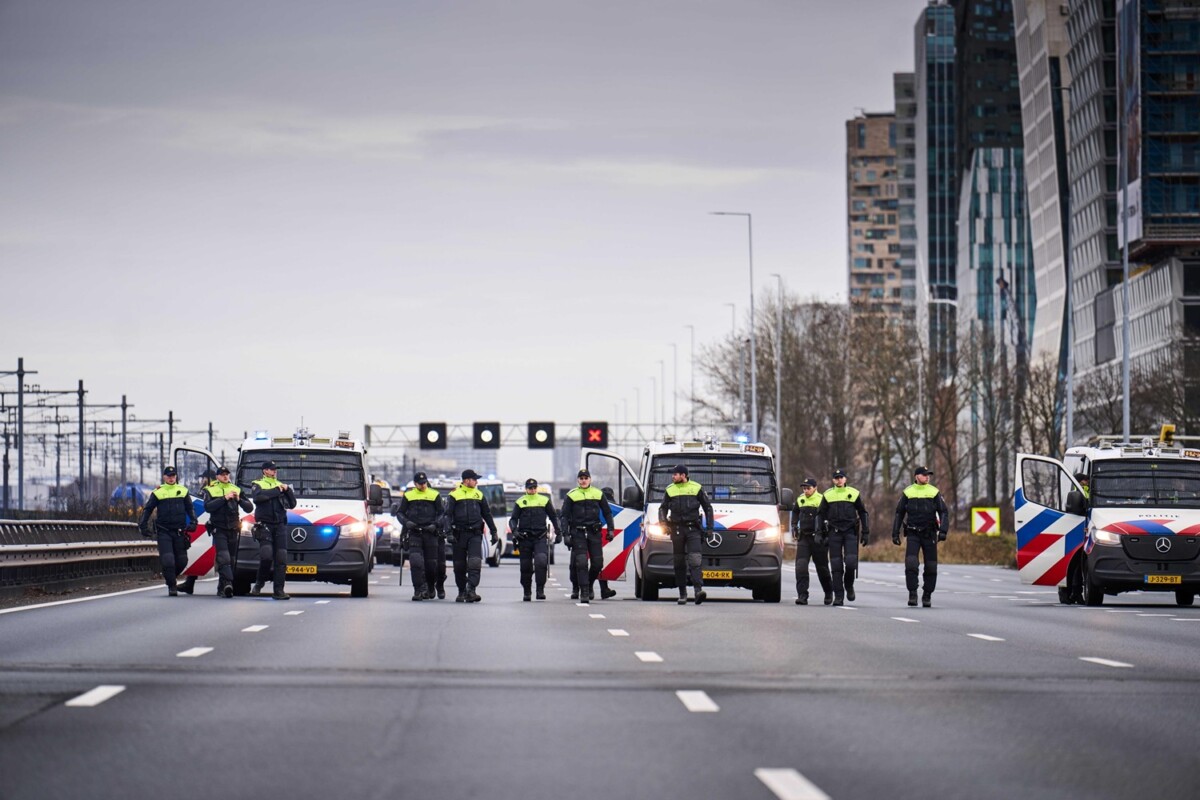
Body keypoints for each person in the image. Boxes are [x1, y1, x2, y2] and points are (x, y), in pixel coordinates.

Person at [891, 466, 948, 607]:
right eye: (924, 475)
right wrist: (895, 532)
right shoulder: (908, 492)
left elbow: (944, 512)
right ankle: (912, 593)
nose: (927, 477)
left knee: (931, 566)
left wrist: (943, 531)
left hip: (929, 534)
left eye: (928, 475)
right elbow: (899, 513)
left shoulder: (934, 492)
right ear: (916, 476)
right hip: (913, 533)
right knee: (911, 564)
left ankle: (927, 595)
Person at [658, 464, 715, 606]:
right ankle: (682, 593)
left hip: (693, 529)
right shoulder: (670, 490)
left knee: (695, 560)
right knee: (679, 562)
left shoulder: (696, 487)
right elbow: (662, 509)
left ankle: (698, 591)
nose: (673, 477)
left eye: (675, 474)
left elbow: (708, 508)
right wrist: (663, 524)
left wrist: (709, 528)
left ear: (683, 475)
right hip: (677, 529)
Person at [138, 465, 197, 597]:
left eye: (173, 476)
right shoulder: (158, 492)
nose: (171, 478)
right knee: (168, 560)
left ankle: (170, 577)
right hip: (164, 532)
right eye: (169, 476)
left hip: (179, 532)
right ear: (164, 477)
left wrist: (194, 522)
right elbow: (148, 509)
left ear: (176, 477)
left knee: (182, 561)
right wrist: (143, 525)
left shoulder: (183, 491)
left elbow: (190, 509)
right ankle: (172, 585)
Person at [560, 469, 616, 605]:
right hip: (578, 533)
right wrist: (565, 534)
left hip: (594, 533)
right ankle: (584, 592)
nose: (584, 480)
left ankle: (589, 584)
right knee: (581, 563)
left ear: (590, 480)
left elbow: (608, 513)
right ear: (578, 480)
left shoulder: (598, 493)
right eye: (581, 478)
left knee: (598, 564)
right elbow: (564, 516)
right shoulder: (571, 495)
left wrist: (610, 530)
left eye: (586, 478)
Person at [818, 468, 869, 606]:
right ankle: (839, 596)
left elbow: (863, 512)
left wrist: (866, 532)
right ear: (833, 480)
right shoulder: (828, 494)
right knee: (836, 566)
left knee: (851, 563)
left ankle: (849, 585)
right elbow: (820, 514)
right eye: (836, 477)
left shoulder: (853, 493)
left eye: (841, 477)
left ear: (845, 479)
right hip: (834, 532)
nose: (839, 479)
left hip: (850, 532)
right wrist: (819, 533)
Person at [444, 469, 497, 603]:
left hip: (475, 534)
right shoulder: (454, 495)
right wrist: (448, 533)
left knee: (475, 562)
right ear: (466, 480)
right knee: (459, 565)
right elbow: (447, 515)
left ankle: (471, 589)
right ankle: (461, 591)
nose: (476, 481)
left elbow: (487, 514)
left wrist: (494, 531)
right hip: (459, 534)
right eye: (474, 479)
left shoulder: (479, 495)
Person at [394, 471, 445, 601]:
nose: (423, 485)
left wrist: (436, 524)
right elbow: (400, 513)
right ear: (415, 483)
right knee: (416, 563)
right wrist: (407, 522)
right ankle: (418, 590)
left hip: (430, 533)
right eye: (420, 483)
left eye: (424, 483)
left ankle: (429, 587)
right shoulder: (408, 495)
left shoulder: (434, 495)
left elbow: (442, 514)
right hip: (415, 533)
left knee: (431, 565)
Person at [203, 466, 253, 598]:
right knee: (224, 558)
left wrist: (239, 500)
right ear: (217, 477)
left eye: (227, 474)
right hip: (219, 529)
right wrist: (224, 498)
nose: (225, 476)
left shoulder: (236, 489)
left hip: (233, 529)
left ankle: (222, 587)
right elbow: (208, 507)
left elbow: (249, 508)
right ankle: (229, 583)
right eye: (222, 474)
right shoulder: (210, 490)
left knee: (231, 559)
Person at [251, 460, 297, 600]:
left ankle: (278, 590)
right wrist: (277, 491)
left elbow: (292, 504)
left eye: (275, 469)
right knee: (266, 555)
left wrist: (288, 491)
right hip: (264, 525)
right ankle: (259, 582)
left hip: (280, 525)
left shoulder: (281, 485)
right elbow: (258, 498)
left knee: (281, 558)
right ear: (265, 471)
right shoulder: (257, 484)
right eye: (271, 469)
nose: (274, 471)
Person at [509, 478, 561, 601]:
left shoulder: (544, 501)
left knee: (541, 562)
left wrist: (559, 532)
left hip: (540, 537)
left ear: (536, 488)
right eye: (530, 488)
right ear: (526, 489)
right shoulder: (520, 502)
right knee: (525, 566)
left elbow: (553, 517)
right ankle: (527, 591)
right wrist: (515, 531)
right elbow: (513, 519)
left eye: (534, 488)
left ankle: (540, 589)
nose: (532, 490)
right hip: (525, 538)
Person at [792, 477, 833, 606]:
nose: (806, 490)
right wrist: (794, 526)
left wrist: (826, 535)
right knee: (800, 567)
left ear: (815, 488)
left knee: (822, 568)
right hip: (804, 538)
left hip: (818, 539)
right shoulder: (800, 499)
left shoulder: (822, 499)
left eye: (808, 488)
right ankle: (802, 596)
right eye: (804, 488)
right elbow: (795, 512)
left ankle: (828, 592)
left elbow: (828, 518)